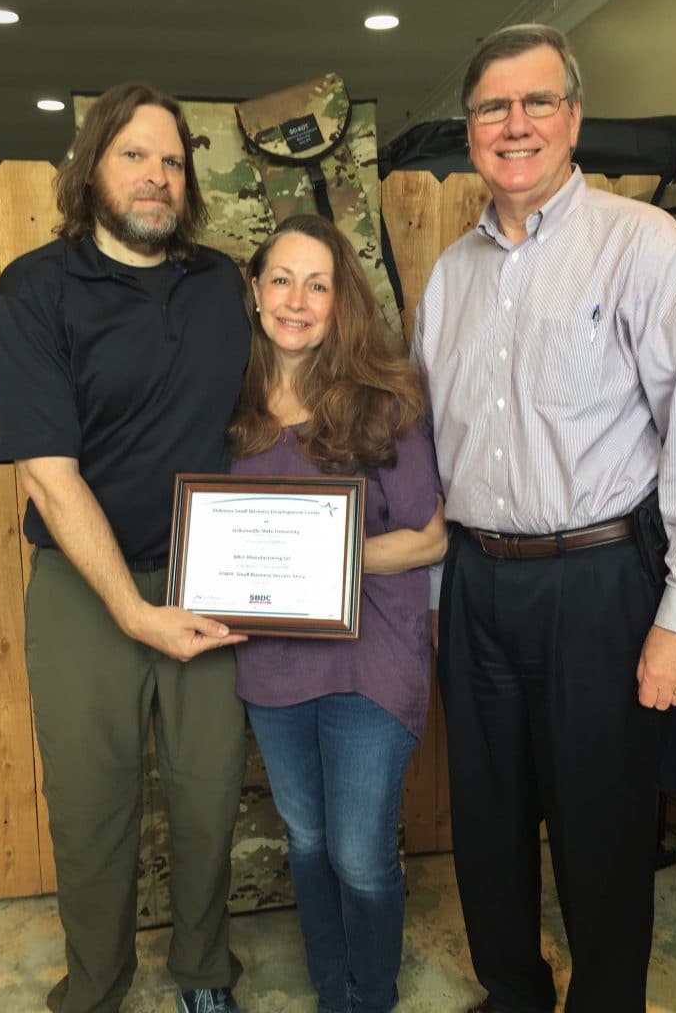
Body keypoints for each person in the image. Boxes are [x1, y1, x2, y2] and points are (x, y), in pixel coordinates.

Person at [411, 24, 676, 1013]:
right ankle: (513, 991)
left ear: (573, 119)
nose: (514, 124)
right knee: (488, 819)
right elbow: (436, 446)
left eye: (536, 102)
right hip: (475, 582)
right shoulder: (448, 281)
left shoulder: (642, 247)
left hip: (600, 582)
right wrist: (438, 595)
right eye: (491, 107)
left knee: (601, 828)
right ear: (470, 129)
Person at [0, 84, 251, 1013]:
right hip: (81, 590)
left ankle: (204, 974)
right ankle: (96, 989)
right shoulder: (33, 289)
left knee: (210, 795)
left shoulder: (225, 285)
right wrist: (134, 612)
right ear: (92, 166)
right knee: (93, 809)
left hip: (209, 579)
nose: (157, 176)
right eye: (135, 155)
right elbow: (49, 476)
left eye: (173, 160)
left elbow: (271, 413)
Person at [226, 213, 447, 1013]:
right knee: (309, 842)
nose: (297, 299)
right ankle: (333, 991)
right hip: (270, 668)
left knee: (358, 856)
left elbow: (427, 539)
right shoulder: (231, 406)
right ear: (254, 292)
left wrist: (318, 561)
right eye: (281, 279)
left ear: (340, 299)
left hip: (369, 663)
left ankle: (371, 997)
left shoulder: (384, 400)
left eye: (317, 283)